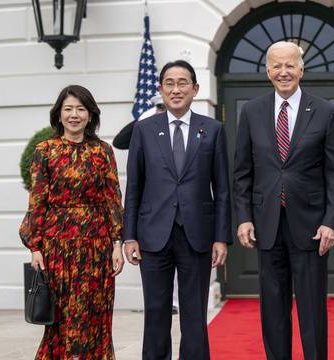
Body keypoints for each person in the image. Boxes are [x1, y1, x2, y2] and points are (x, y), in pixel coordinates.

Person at [233, 41, 334, 360]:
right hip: (266, 225)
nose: (284, 72)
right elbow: (242, 171)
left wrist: (331, 222)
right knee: (272, 309)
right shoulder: (251, 111)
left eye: (290, 65)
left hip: (311, 227)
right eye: (276, 66)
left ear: (302, 69)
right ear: (267, 70)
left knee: (312, 309)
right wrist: (243, 217)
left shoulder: (326, 111)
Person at [123, 59, 231, 360]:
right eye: (169, 83)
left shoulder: (212, 130)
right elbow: (134, 187)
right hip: (152, 234)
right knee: (156, 312)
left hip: (197, 235)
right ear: (160, 89)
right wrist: (128, 236)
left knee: (194, 313)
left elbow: (222, 189)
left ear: (195, 89)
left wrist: (221, 237)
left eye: (182, 82)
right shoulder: (143, 130)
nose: (175, 89)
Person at [19, 84, 124, 360]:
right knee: (61, 319)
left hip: (96, 247)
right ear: (59, 114)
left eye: (80, 109)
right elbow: (37, 201)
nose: (74, 115)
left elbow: (112, 198)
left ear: (90, 115)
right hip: (57, 249)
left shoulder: (103, 151)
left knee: (95, 315)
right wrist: (35, 248)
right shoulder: (45, 150)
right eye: (68, 109)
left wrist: (117, 244)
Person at [112, 96, 180, 315]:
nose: (163, 110)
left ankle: (175, 303)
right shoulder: (146, 128)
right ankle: (162, 303)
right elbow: (120, 141)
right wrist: (142, 120)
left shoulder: (183, 128)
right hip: (154, 213)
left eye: (164, 106)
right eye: (159, 107)